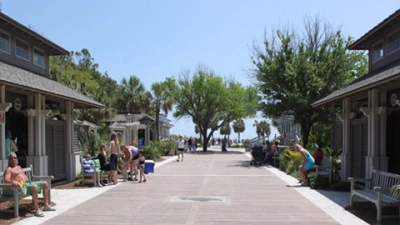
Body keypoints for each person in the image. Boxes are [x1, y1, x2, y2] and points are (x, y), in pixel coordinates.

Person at [3, 152, 55, 217]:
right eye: (11, 158)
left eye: (14, 158)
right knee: (34, 187)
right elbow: (6, 179)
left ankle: (46, 206)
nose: (13, 159)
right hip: (21, 186)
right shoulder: (9, 169)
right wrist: (13, 182)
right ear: (9, 160)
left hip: (27, 183)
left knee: (45, 184)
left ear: (16, 159)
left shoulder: (18, 167)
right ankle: (37, 210)